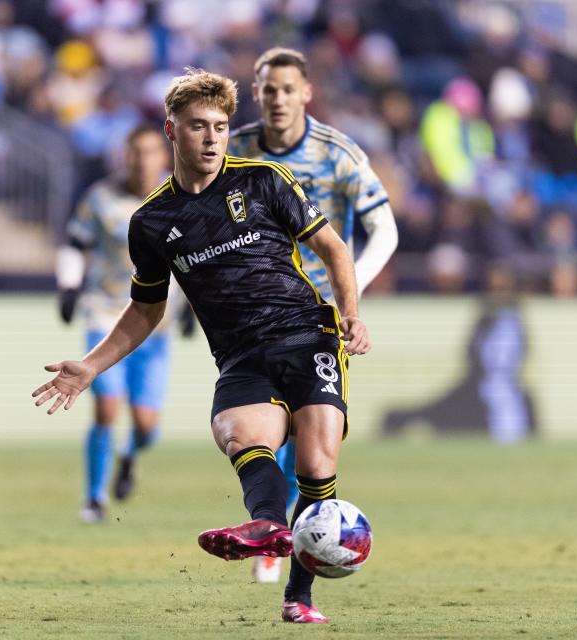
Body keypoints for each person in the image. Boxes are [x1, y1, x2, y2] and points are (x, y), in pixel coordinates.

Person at [33, 68, 370, 624]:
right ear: (172, 131)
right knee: (238, 434)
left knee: (315, 465)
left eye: (220, 126)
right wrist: (90, 367)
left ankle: (299, 595)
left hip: (307, 336)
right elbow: (146, 309)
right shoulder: (152, 221)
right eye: (198, 127)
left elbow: (334, 250)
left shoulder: (264, 180)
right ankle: (268, 527)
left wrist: (351, 316)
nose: (212, 138)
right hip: (241, 355)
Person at [228, 46, 397, 583]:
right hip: (252, 316)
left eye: (288, 89)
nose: (278, 99)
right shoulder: (233, 151)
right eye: (268, 89)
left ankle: (283, 549)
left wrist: (352, 297)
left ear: (307, 93)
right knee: (264, 431)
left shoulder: (337, 153)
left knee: (310, 441)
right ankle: (276, 534)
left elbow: (385, 230)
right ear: (256, 93)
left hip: (320, 318)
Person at [56, 124, 173, 523]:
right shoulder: (101, 198)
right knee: (106, 406)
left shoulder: (177, 200)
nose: (142, 160)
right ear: (126, 156)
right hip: (105, 316)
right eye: (135, 152)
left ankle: (130, 454)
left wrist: (193, 308)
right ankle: (94, 498)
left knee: (146, 426)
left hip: (156, 323)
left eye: (151, 152)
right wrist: (69, 286)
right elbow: (75, 242)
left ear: (164, 157)